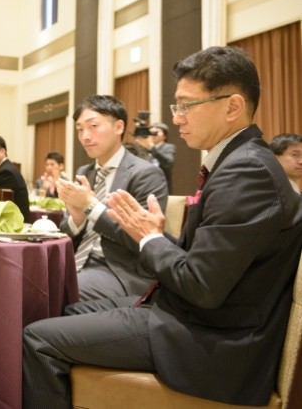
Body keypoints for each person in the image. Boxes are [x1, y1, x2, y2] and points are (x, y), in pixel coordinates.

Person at [23, 46, 302, 408]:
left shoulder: (247, 172)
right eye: (176, 107)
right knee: (67, 310)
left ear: (232, 107)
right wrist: (154, 236)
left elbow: (201, 285)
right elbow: (206, 261)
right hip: (192, 315)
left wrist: (150, 238)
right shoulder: (239, 162)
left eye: (186, 106)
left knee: (37, 338)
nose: (177, 119)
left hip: (211, 341)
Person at [56, 95, 168, 301]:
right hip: (78, 261)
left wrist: (90, 206)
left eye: (93, 126)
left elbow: (142, 238)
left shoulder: (145, 174)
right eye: (80, 129)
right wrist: (77, 218)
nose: (85, 136)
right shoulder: (84, 172)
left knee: (52, 292)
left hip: (119, 270)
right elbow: (66, 231)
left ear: (118, 127)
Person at [135, 121, 177, 191]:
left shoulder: (168, 147)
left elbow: (168, 163)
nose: (153, 135)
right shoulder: (142, 148)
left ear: (165, 136)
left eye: (157, 132)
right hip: (143, 185)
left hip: (161, 185)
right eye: (151, 132)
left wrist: (151, 147)